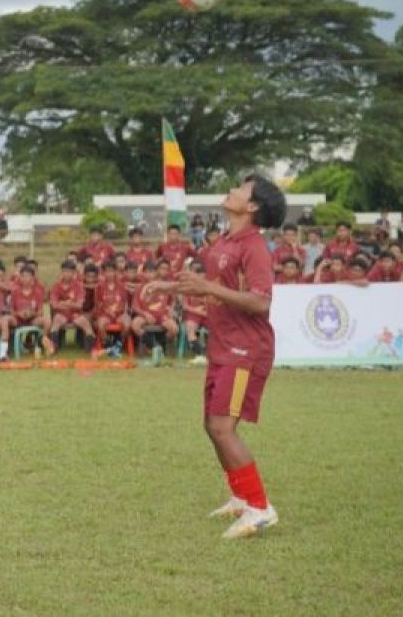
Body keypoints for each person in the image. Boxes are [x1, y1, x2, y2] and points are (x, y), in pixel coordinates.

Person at [150, 174, 286, 539]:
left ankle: (260, 507)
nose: (233, 189)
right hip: (224, 346)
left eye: (242, 188)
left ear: (252, 206)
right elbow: (212, 289)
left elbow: (260, 302)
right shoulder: (226, 240)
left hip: (245, 349)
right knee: (213, 426)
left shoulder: (254, 247)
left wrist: (206, 287)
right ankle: (242, 498)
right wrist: (168, 286)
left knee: (224, 428)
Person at [48, 260, 93, 352]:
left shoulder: (78, 286)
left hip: (75, 314)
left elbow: (79, 305)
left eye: (69, 272)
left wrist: (64, 303)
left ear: (73, 273)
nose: (67, 274)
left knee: (85, 323)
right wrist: (70, 304)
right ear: (61, 272)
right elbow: (54, 304)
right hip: (62, 314)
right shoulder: (56, 286)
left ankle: (89, 350)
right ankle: (53, 348)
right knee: (56, 321)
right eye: (64, 271)